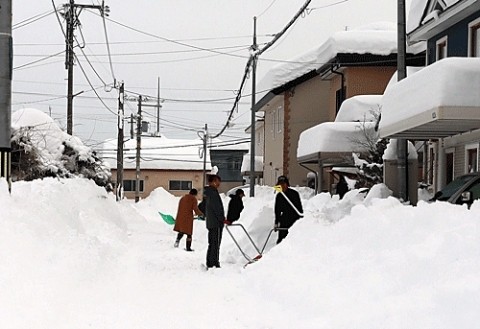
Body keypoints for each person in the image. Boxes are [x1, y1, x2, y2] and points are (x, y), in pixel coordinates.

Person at [203, 174, 226, 268]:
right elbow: (217, 208)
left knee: (212, 243)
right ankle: (214, 263)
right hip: (216, 223)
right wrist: (222, 219)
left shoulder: (208, 193)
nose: (218, 183)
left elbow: (202, 206)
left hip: (211, 222)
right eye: (217, 181)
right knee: (215, 244)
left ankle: (210, 261)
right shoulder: (213, 193)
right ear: (212, 182)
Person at [274, 175, 303, 244]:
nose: (282, 186)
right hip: (284, 221)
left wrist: (300, 222)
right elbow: (277, 211)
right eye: (280, 184)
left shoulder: (294, 194)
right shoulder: (279, 196)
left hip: (294, 220)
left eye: (283, 184)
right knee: (281, 240)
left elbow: (299, 209)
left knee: (293, 240)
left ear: (287, 184)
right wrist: (276, 222)